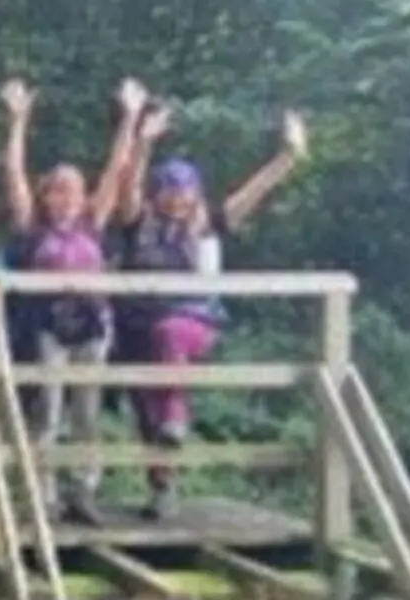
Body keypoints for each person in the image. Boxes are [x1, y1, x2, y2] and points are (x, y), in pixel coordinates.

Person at [112, 105, 309, 520]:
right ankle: (163, 487)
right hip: (134, 327)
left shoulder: (205, 225)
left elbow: (252, 193)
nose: (178, 198)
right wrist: (142, 143)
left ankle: (177, 416)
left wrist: (286, 157)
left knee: (170, 339)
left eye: (185, 190)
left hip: (191, 321)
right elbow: (127, 187)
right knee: (147, 410)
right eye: (169, 189)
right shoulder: (138, 223)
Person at [0, 78, 145, 524]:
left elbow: (116, 170)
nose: (66, 197)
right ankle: (44, 495)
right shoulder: (32, 226)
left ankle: (83, 490)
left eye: (73, 190)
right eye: (57, 189)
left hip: (92, 326)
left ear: (83, 197)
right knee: (49, 411)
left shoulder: (93, 222)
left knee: (87, 411)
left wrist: (130, 119)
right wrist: (18, 121)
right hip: (47, 328)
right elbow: (14, 175)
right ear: (47, 195)